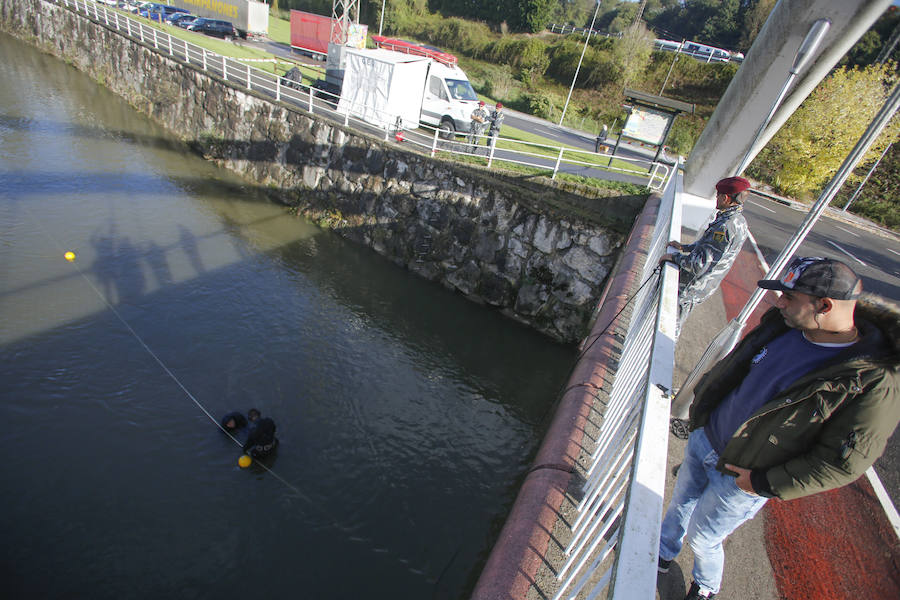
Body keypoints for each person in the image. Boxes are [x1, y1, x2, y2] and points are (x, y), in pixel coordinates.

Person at [657, 257, 900, 599]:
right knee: (680, 503)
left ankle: (706, 587)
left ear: (825, 305)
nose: (779, 303)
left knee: (703, 537)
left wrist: (764, 482)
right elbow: (739, 368)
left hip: (743, 476)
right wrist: (702, 419)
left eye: (789, 297)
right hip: (706, 439)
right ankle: (663, 553)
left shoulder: (872, 379)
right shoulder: (786, 324)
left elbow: (842, 461)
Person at [660, 176, 750, 337]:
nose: (716, 198)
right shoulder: (738, 221)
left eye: (718, 195)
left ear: (725, 198)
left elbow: (700, 264)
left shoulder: (725, 226)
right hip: (701, 285)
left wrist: (674, 258)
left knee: (670, 327)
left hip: (692, 287)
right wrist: (684, 247)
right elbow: (708, 248)